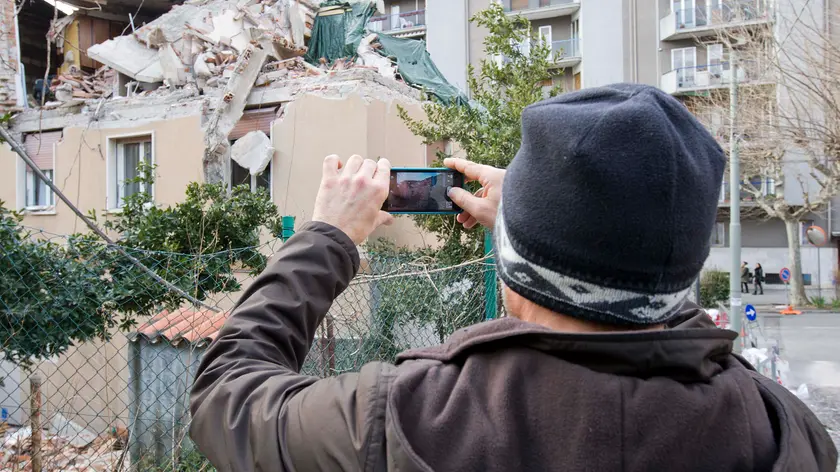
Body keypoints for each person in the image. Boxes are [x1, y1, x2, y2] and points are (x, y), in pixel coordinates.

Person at [189, 84, 837, 472]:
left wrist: (327, 237)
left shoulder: (412, 414)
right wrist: (551, 229)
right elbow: (660, 317)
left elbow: (226, 402)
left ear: (518, 271)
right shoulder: (781, 428)